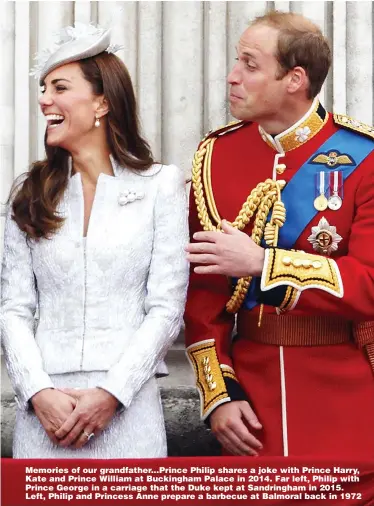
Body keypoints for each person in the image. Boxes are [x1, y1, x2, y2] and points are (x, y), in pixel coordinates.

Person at [184, 11, 374, 459]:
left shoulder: (362, 157)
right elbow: (202, 296)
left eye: (249, 65)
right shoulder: (216, 157)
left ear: (294, 78)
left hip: (346, 399)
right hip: (251, 410)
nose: (232, 77)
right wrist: (219, 396)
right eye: (236, 61)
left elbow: (369, 284)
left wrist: (263, 265)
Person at [1, 23, 189, 458]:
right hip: (44, 416)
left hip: (127, 410)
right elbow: (13, 308)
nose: (44, 99)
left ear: (102, 101)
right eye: (44, 88)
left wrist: (112, 393)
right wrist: (37, 392)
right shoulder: (31, 192)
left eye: (60, 87)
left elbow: (166, 307)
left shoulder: (161, 186)